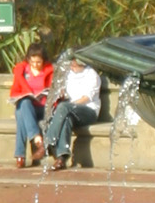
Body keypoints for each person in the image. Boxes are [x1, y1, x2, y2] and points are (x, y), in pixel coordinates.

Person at [45, 53, 102, 169]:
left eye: (75, 64)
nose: (72, 67)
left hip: (89, 111)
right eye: (71, 64)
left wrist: (68, 106)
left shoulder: (92, 75)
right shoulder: (68, 74)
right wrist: (61, 94)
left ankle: (48, 142)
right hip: (71, 112)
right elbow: (65, 93)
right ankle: (61, 157)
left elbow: (86, 98)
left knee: (64, 108)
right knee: (67, 119)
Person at [8, 37, 52, 169]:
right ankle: (38, 139)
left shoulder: (50, 70)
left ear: (43, 60)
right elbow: (17, 89)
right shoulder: (22, 70)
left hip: (44, 108)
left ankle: (20, 156)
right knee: (24, 103)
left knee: (21, 114)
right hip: (28, 106)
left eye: (38, 62)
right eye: (32, 62)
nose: (35, 65)